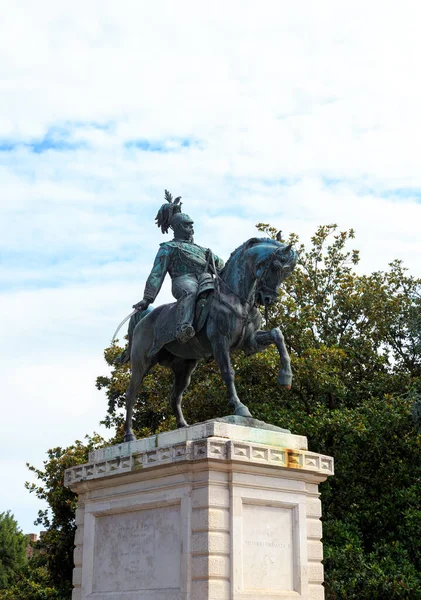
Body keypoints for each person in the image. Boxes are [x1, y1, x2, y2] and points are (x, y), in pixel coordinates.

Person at [133, 191, 224, 343]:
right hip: (183, 280)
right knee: (190, 291)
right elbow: (157, 273)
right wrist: (147, 298)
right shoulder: (168, 247)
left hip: (205, 280)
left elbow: (222, 268)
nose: (192, 230)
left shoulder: (204, 250)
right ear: (178, 227)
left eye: (192, 226)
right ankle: (184, 326)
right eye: (188, 226)